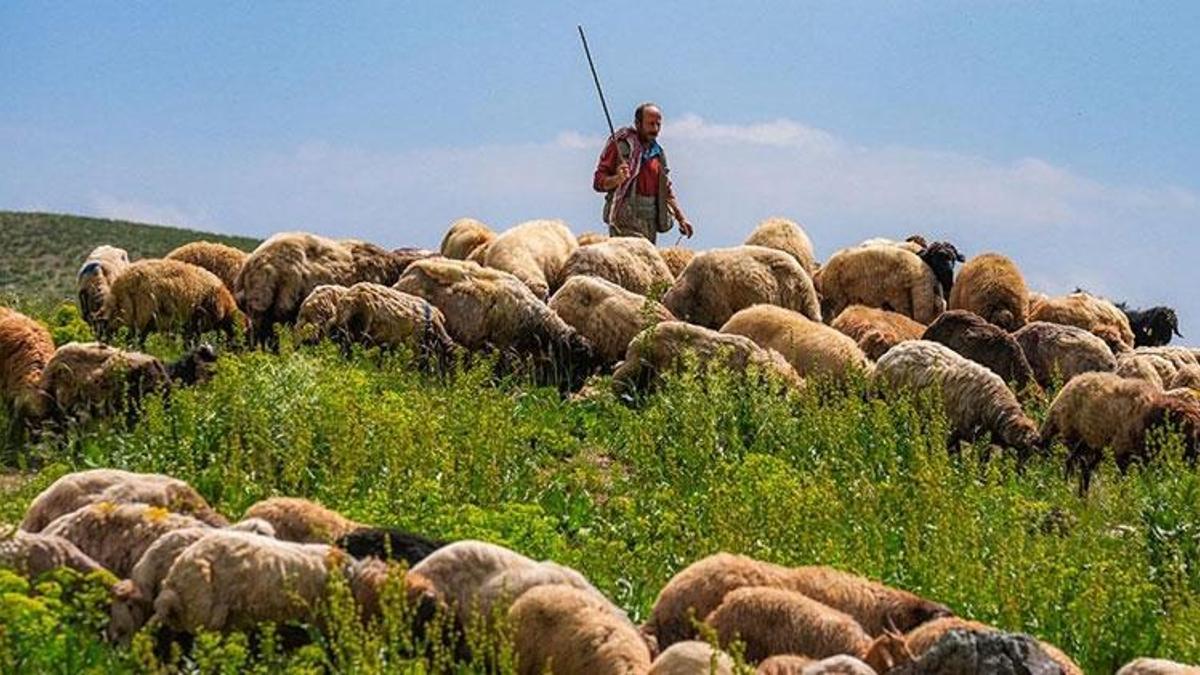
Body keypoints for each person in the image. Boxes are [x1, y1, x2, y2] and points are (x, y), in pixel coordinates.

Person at [592, 102, 694, 243]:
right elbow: (598, 182)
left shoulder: (658, 154)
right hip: (624, 222)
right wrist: (617, 179)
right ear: (638, 124)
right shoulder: (620, 146)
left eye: (658, 125)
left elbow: (666, 190)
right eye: (651, 124)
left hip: (649, 222)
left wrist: (681, 219)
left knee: (646, 263)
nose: (655, 129)